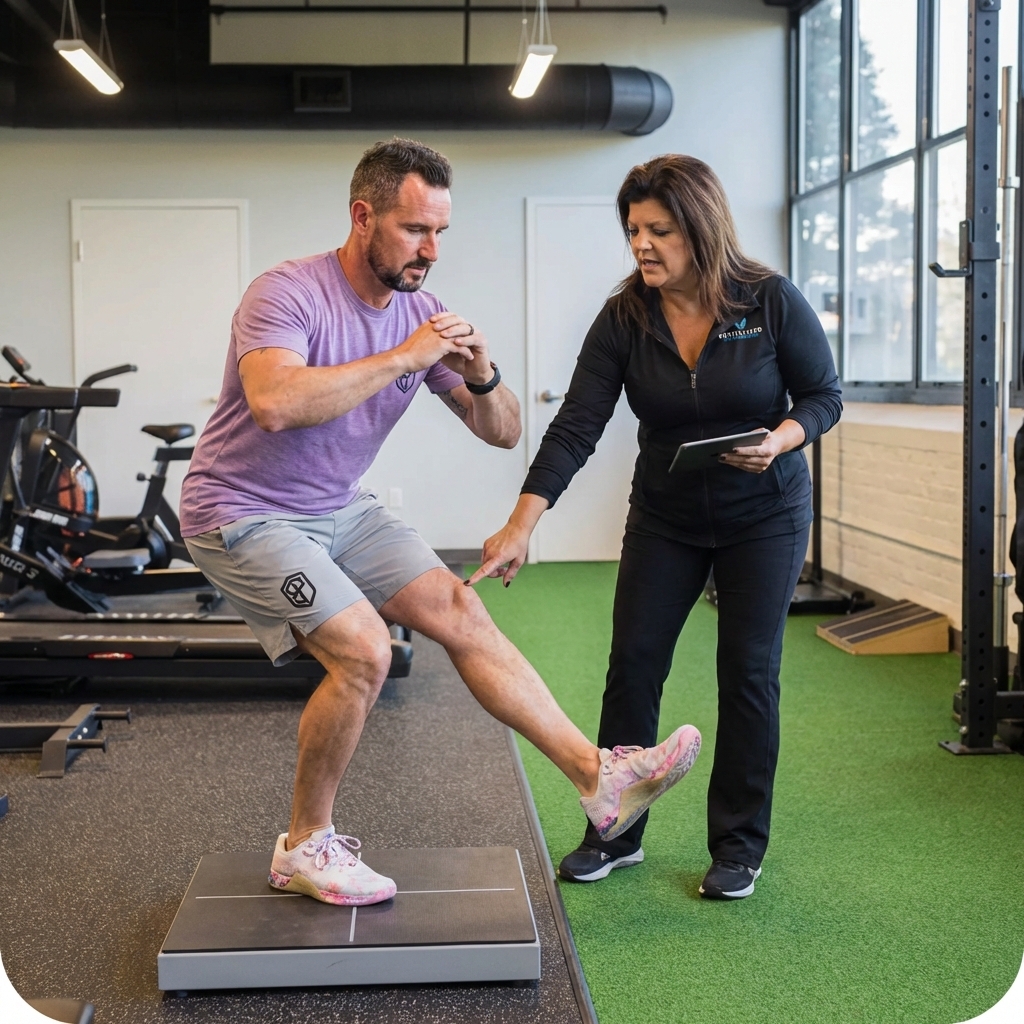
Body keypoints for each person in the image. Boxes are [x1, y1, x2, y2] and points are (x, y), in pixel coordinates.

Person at [179, 138, 702, 908]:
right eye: (415, 230)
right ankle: (304, 845)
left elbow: (504, 431)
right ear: (363, 217)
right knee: (364, 651)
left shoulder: (424, 315)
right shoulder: (287, 293)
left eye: (440, 232)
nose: (431, 250)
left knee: (461, 607)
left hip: (339, 506)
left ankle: (599, 780)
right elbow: (276, 403)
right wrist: (404, 357)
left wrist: (482, 373)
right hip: (241, 510)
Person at [469, 154, 842, 900]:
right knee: (634, 665)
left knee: (748, 673)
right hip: (667, 517)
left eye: (660, 230)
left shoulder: (768, 300)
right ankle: (615, 831)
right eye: (635, 229)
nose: (642, 244)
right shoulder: (626, 317)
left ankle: (738, 846)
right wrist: (520, 525)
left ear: (701, 229)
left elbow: (823, 396)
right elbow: (577, 424)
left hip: (764, 515)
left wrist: (780, 440)